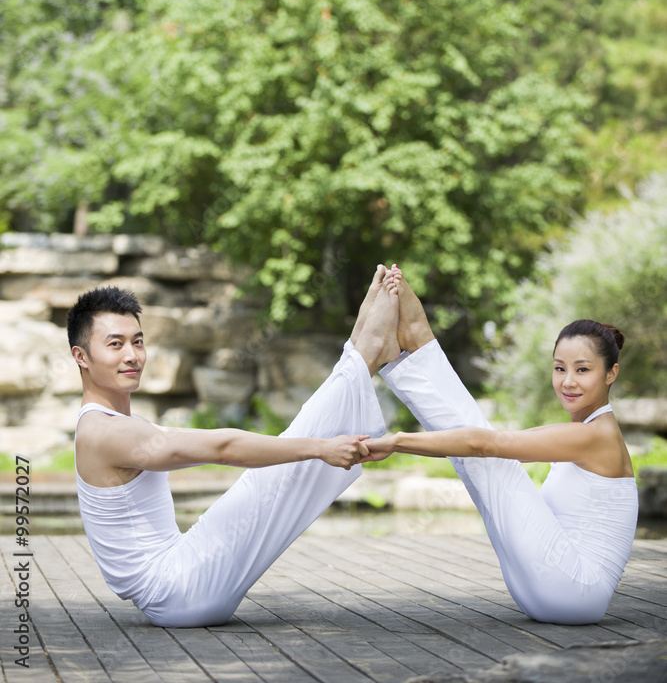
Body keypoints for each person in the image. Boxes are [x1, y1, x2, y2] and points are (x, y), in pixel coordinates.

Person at [70, 279, 397, 627]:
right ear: (81, 357)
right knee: (278, 471)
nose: (131, 355)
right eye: (115, 344)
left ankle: (360, 351)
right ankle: (365, 352)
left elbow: (210, 443)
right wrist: (319, 449)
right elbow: (223, 448)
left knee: (280, 468)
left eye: (137, 342)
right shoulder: (107, 432)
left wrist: (316, 449)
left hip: (176, 587)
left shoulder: (118, 425)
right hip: (178, 587)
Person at [362, 266, 638, 625]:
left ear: (611, 374)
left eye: (582, 370)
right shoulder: (583, 431)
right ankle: (412, 348)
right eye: (559, 368)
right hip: (549, 592)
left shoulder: (596, 435)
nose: (568, 381)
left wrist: (398, 442)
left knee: (487, 455)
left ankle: (417, 343)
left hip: (573, 590)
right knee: (481, 454)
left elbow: (484, 444)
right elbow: (483, 441)